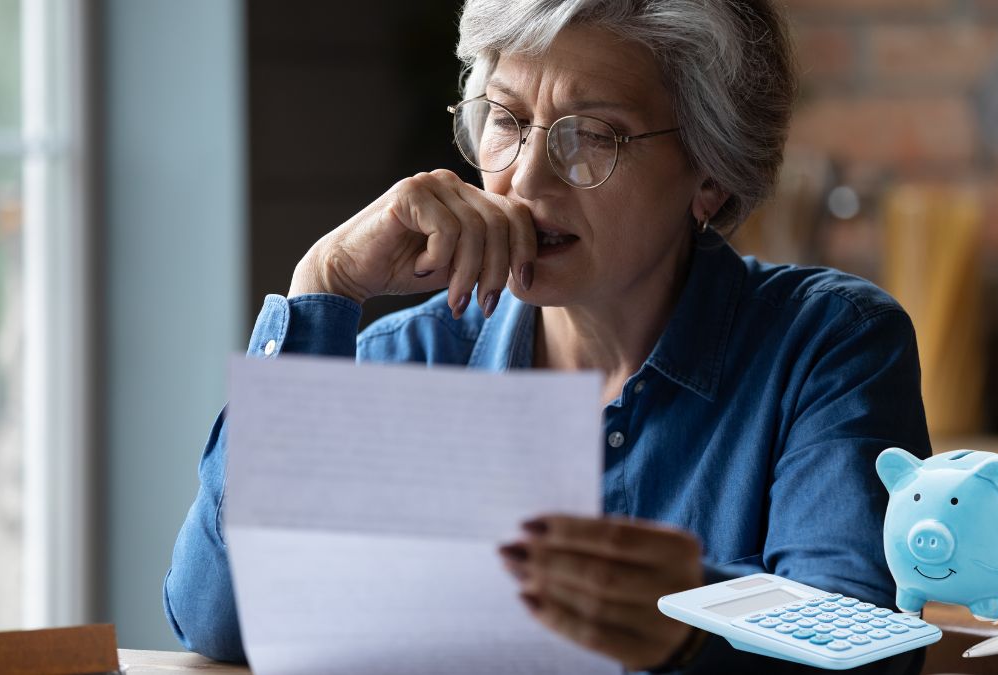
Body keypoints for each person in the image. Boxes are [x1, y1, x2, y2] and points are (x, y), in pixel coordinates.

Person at [164, 1, 932, 672]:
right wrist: (325, 283)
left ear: (710, 171)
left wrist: (688, 622)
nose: (526, 181)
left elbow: (858, 647)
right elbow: (220, 620)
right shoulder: (412, 360)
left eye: (590, 136)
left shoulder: (828, 345)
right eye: (506, 119)